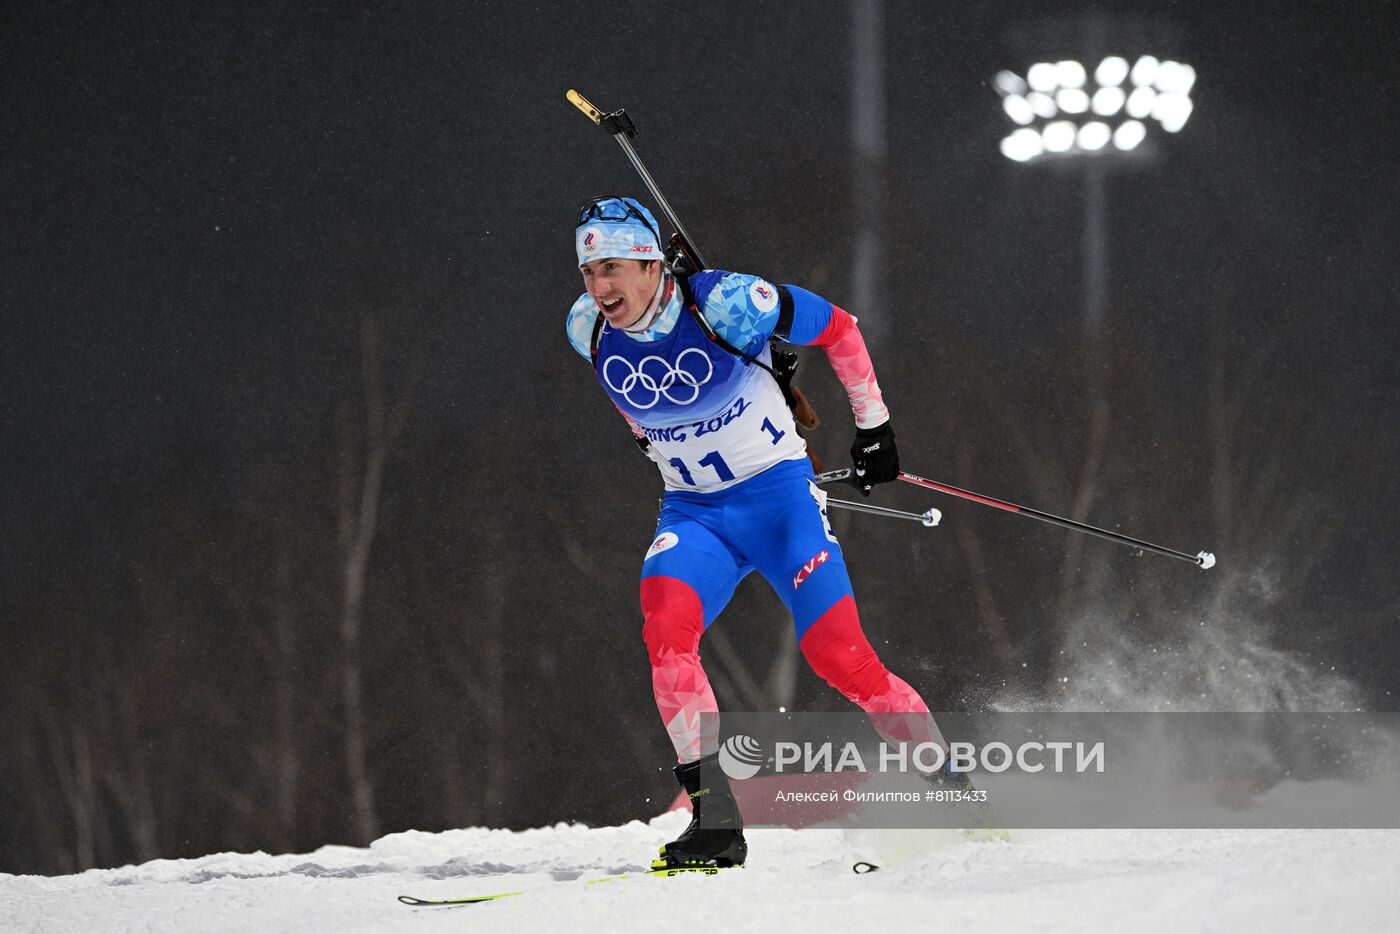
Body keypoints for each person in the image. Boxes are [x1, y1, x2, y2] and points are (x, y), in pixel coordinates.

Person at [566, 197, 962, 870]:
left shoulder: (725, 302)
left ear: (650, 262)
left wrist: (875, 430)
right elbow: (636, 409)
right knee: (665, 633)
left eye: (612, 267)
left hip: (781, 509)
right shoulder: (587, 331)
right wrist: (662, 445)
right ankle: (715, 820)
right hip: (694, 514)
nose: (600, 288)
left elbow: (840, 328)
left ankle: (953, 793)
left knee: (844, 661)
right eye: (587, 271)